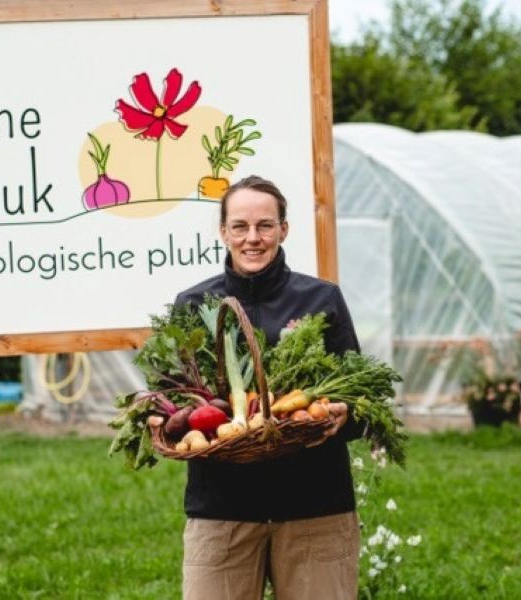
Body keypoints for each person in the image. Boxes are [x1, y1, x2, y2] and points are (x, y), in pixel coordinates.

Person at [174, 175, 363, 600]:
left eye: (265, 225)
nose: (252, 238)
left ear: (284, 229)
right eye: (240, 226)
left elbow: (360, 395)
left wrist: (345, 414)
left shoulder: (321, 300)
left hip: (316, 507)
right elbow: (177, 403)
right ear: (224, 232)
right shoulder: (193, 306)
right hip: (221, 511)